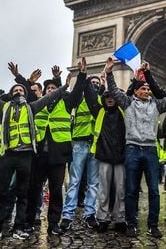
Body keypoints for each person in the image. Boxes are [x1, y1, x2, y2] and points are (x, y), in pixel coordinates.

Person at [0, 63, 71, 240]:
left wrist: (64, 86)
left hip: (26, 156)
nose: (18, 92)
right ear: (11, 93)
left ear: (26, 94)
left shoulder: (32, 107)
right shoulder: (3, 106)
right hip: (8, 155)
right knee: (2, 192)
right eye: (15, 90)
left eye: (21, 90)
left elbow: (50, 96)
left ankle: (19, 227)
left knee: (23, 193)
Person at [105, 57, 166, 239]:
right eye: (143, 88)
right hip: (133, 149)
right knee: (131, 190)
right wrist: (109, 72)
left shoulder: (157, 104)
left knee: (153, 190)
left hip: (150, 150)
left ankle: (153, 226)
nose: (147, 91)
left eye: (148, 89)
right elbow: (112, 90)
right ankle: (131, 224)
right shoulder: (127, 102)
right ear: (135, 91)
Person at [24, 61, 87, 236]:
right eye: (48, 88)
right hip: (38, 156)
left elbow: (76, 94)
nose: (50, 90)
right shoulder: (37, 105)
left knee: (56, 191)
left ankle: (53, 223)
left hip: (59, 155)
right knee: (34, 189)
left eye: (53, 87)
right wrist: (28, 82)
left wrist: (81, 75)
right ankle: (29, 220)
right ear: (44, 92)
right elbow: (25, 97)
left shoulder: (66, 103)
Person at [60, 74, 102, 231]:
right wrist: (81, 77)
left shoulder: (101, 99)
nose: (95, 85)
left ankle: (90, 214)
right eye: (93, 82)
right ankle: (67, 215)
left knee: (93, 183)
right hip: (79, 143)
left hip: (95, 145)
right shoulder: (78, 99)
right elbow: (72, 94)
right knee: (75, 182)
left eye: (98, 83)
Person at [85, 84, 127, 234]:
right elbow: (90, 99)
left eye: (113, 97)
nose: (110, 99)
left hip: (121, 156)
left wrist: (135, 80)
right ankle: (102, 218)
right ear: (103, 99)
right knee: (103, 190)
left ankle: (120, 219)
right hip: (104, 156)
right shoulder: (99, 112)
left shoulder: (125, 110)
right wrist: (83, 77)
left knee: (121, 190)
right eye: (107, 97)